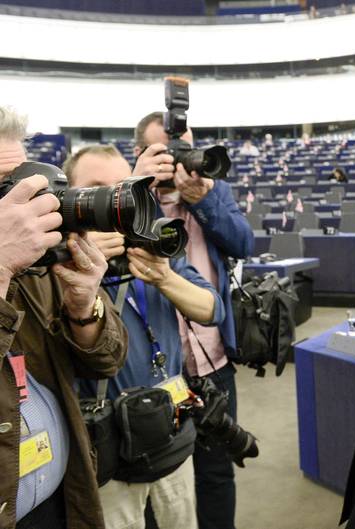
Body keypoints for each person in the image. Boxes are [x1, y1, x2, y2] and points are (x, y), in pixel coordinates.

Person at [64, 145, 225, 529]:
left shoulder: (153, 242)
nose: (112, 200)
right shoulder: (58, 263)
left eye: (122, 187)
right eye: (96, 189)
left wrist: (165, 277)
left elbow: (212, 309)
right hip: (109, 450)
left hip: (172, 434)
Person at [0, 107, 127, 528]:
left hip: (62, 503)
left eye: (19, 187)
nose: (20, 212)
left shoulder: (41, 266)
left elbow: (107, 361)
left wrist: (83, 307)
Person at [133, 112, 254, 529]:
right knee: (157, 482)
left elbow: (243, 242)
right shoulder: (130, 201)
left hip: (213, 362)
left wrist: (204, 201)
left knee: (217, 471)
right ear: (143, 154)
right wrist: (138, 186)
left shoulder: (213, 193)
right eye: (171, 152)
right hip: (156, 373)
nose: (185, 161)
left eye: (188, 148)